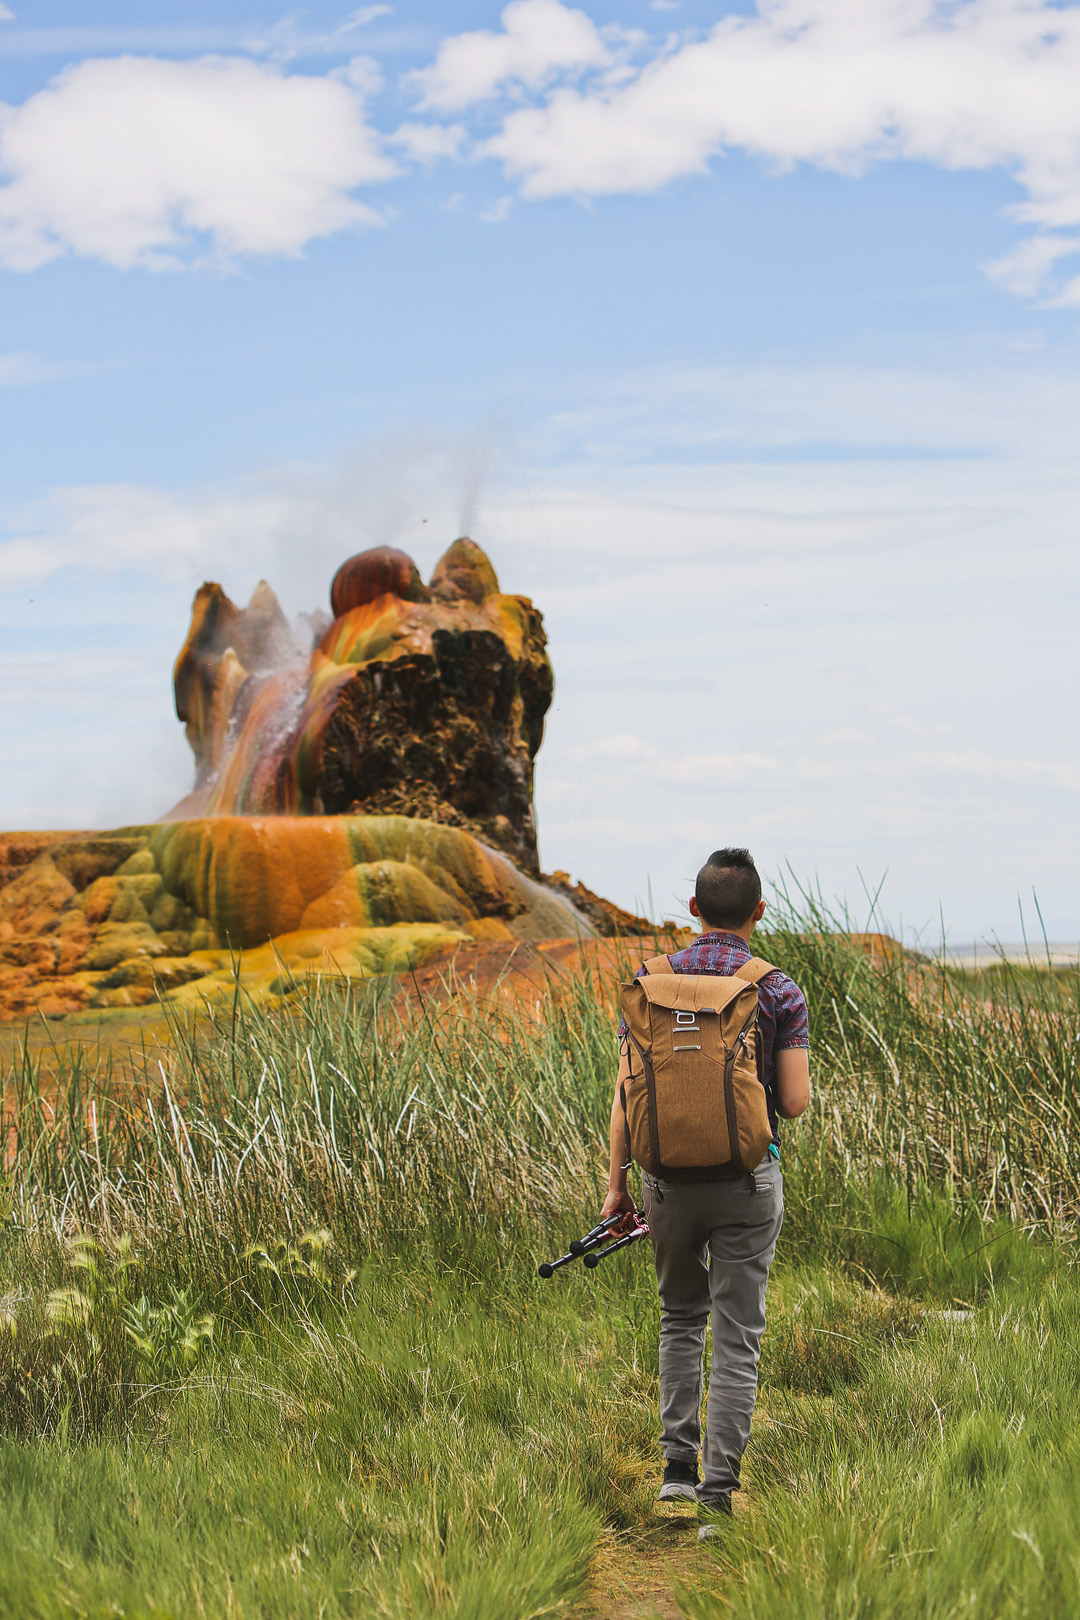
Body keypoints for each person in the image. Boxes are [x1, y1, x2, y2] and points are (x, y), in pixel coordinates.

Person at [599, 847, 810, 1520]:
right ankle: (719, 1499)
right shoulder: (777, 989)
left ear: (692, 910)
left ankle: (674, 1478)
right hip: (748, 1179)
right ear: (759, 912)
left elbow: (628, 1090)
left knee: (680, 1318)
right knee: (737, 1332)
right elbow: (797, 1102)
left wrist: (617, 1185)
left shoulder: (649, 980)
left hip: (664, 1182)